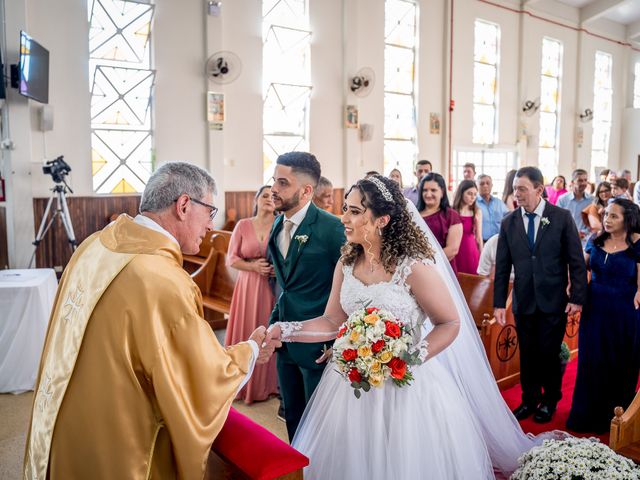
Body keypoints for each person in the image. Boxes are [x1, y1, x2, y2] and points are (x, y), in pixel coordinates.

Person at [268, 175, 557, 479]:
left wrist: (406, 358)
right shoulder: (346, 263)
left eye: (354, 211)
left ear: (382, 220)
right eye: (345, 208)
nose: (343, 218)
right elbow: (331, 321)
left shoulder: (413, 267)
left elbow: (450, 322)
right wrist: (284, 330)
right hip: (351, 384)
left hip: (406, 385)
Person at [23, 162, 279, 479]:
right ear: (184, 205)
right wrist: (251, 350)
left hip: (68, 424)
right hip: (120, 444)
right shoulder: (162, 281)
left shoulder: (93, 247)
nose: (211, 227)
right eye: (210, 212)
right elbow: (200, 379)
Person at [494, 166, 587, 424]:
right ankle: (529, 399)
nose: (517, 194)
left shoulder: (561, 217)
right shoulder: (509, 222)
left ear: (538, 189)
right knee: (528, 353)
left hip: (553, 300)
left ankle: (550, 400)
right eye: (514, 189)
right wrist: (499, 303)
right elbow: (502, 267)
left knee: (549, 353)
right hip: (524, 301)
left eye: (522, 189)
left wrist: (577, 297)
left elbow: (576, 261)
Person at [268, 152, 346, 440]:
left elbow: (352, 286)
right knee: (293, 417)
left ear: (306, 190)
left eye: (282, 182)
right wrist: (275, 322)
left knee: (320, 425)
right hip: (285, 340)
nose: (273, 188)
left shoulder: (332, 229)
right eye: (273, 180)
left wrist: (340, 339)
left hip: (318, 345)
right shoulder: (278, 224)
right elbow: (286, 284)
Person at [567, 199, 640, 434]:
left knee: (621, 362)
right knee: (592, 360)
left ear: (628, 219)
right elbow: (581, 268)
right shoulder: (596, 240)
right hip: (595, 309)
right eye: (606, 214)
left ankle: (618, 420)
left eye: (614, 216)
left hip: (625, 312)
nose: (607, 219)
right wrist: (573, 289)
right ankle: (587, 415)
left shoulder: (638, 242)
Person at [225, 185, 279, 404]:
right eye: (264, 195)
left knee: (267, 329)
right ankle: (241, 383)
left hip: (270, 287)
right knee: (247, 327)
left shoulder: (280, 224)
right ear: (256, 200)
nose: (269, 199)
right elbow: (232, 259)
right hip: (247, 285)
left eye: (273, 196)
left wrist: (278, 268)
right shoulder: (243, 225)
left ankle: (266, 385)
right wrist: (254, 267)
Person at [417, 172, 462, 273]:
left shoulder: (451, 215)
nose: (428, 194)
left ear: (442, 192)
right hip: (416, 269)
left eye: (433, 190)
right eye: (425, 190)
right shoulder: (414, 214)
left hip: (442, 269)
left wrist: (426, 263)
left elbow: (453, 249)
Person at [453, 180, 482, 274]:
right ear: (461, 193)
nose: (473, 197)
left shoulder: (477, 211)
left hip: (471, 250)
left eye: (475, 194)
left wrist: (482, 256)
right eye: (469, 193)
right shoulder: (452, 211)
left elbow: (479, 237)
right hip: (456, 249)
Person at [557, 169, 592, 247]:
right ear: (572, 182)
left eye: (585, 180)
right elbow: (557, 220)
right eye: (580, 180)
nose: (583, 183)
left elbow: (593, 222)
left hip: (584, 242)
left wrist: (582, 233)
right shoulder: (562, 199)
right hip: (565, 240)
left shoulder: (592, 200)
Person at [477, 174, 508, 243]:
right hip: (481, 243)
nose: (485, 185)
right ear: (477, 186)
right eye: (482, 184)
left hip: (499, 242)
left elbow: (509, 218)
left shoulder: (499, 203)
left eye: (488, 183)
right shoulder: (474, 204)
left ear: (492, 185)